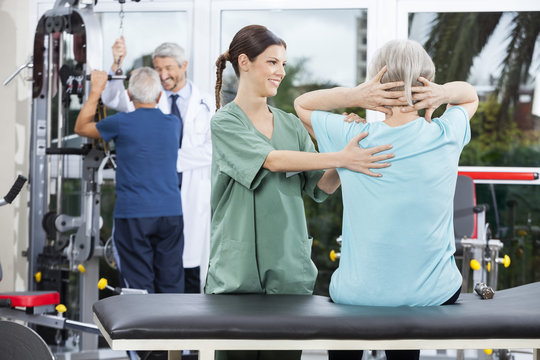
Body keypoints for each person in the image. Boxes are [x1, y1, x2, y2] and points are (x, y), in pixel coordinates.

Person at [205, 25, 406, 360]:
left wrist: (350, 150)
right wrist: (340, 156)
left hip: (287, 268)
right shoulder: (225, 122)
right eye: (272, 62)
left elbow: (320, 186)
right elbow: (272, 160)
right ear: (244, 62)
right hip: (236, 271)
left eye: (283, 63)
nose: (280, 72)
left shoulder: (291, 124)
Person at [294, 39, 479, 360]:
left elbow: (302, 105)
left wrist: (354, 95)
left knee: (357, 308)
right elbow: (470, 95)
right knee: (410, 305)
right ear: (427, 83)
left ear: (376, 84)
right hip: (431, 293)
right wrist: (444, 94)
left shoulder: (352, 136)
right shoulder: (445, 135)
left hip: (358, 294)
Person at [101, 38, 213, 293]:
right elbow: (112, 98)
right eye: (158, 69)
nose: (163, 75)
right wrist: (117, 63)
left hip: (187, 196)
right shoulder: (147, 98)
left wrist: (165, 158)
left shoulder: (207, 103)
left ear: (184, 65)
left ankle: (178, 330)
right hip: (154, 201)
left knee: (185, 277)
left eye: (169, 68)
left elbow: (214, 149)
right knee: (147, 277)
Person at [75, 68, 184, 294]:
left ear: (129, 95)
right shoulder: (173, 123)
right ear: (160, 96)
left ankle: (143, 329)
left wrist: (96, 90)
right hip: (171, 214)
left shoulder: (121, 123)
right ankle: (171, 329)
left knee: (138, 287)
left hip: (135, 215)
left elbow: (80, 127)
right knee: (171, 284)